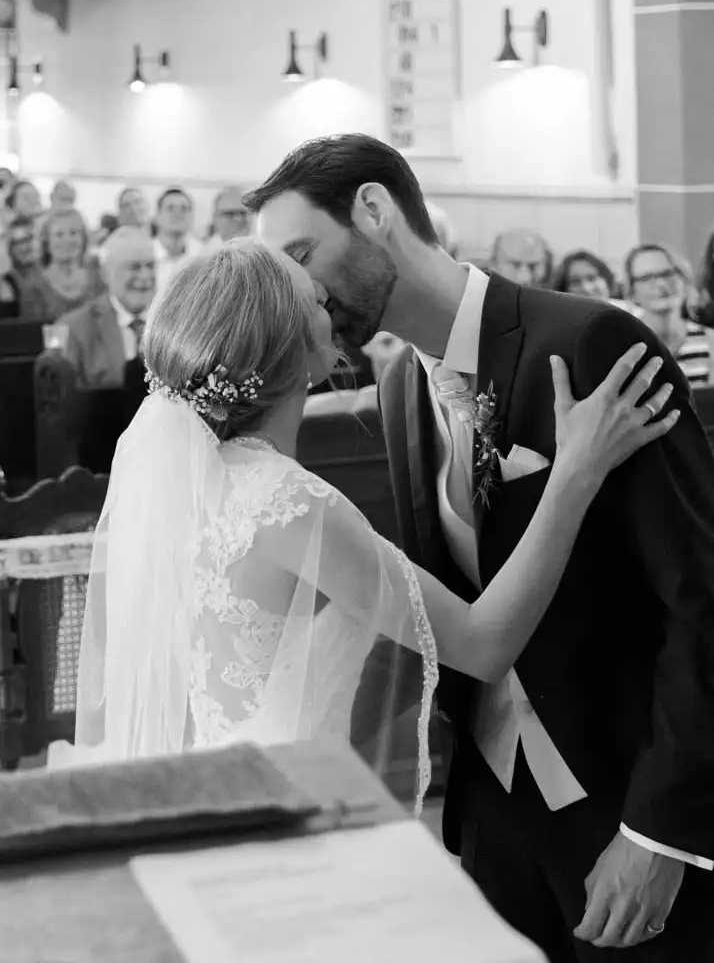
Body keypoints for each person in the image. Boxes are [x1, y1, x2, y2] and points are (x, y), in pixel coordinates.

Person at [245, 133, 714, 962]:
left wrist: (660, 833)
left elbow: (702, 599)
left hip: (626, 810)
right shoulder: (395, 388)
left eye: (301, 253)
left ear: (375, 210)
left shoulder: (592, 342)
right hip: (494, 826)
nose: (296, 291)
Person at [48, 240, 673, 821]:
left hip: (226, 785)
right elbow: (484, 645)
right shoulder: (286, 501)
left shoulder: (200, 487)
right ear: (287, 351)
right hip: (286, 800)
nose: (333, 303)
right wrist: (576, 473)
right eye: (316, 301)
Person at [59, 226, 156, 389]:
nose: (145, 276)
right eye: (134, 267)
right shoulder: (75, 329)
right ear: (105, 273)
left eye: (150, 266)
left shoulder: (176, 323)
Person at [624, 242, 713, 387]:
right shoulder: (621, 344)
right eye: (646, 278)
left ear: (684, 279)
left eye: (667, 274)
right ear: (632, 292)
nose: (661, 284)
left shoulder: (710, 341)